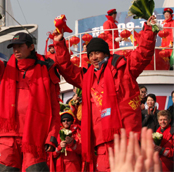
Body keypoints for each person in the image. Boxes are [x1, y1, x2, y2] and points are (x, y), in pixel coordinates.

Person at [53, 15, 158, 172]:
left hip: (126, 137)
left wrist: (148, 29)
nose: (94, 58)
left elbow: (143, 53)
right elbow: (66, 68)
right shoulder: (87, 78)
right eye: (90, 55)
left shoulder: (124, 68)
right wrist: (60, 43)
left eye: (97, 53)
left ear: (105, 53)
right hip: (102, 140)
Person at [0, 30, 60, 171]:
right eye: (14, 47)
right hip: (8, 137)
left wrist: (52, 136)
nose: (16, 50)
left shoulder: (46, 70)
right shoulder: (6, 69)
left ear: (31, 47)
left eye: (20, 46)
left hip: (34, 137)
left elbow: (55, 108)